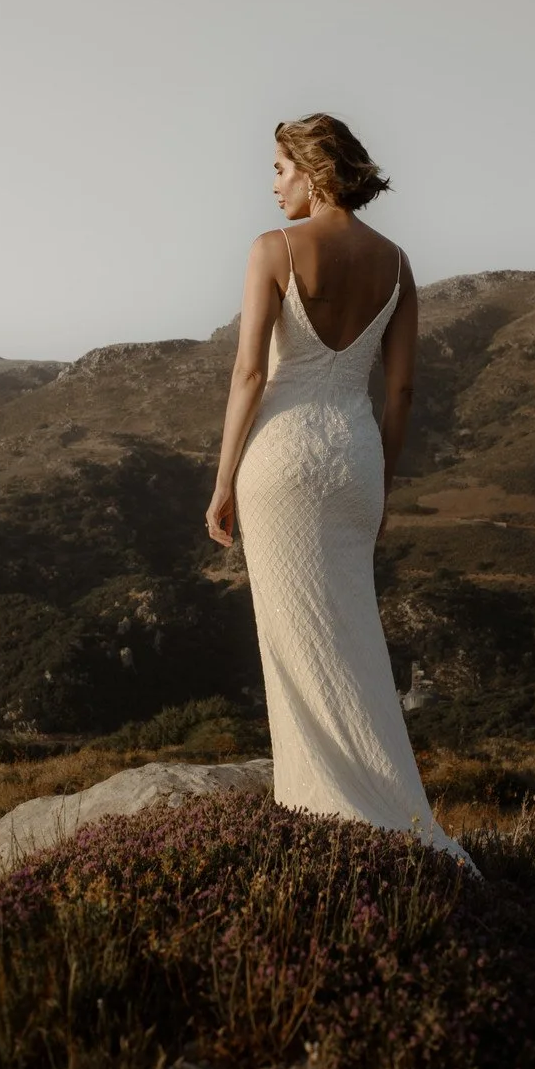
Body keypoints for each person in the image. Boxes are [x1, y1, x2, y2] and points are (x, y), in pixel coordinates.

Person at [203, 113, 480, 877]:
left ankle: (330, 818)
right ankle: (386, 814)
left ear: (315, 170)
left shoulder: (273, 249)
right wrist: (381, 481)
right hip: (355, 456)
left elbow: (250, 376)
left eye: (281, 167)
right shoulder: (396, 264)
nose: (273, 182)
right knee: (353, 638)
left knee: (295, 646)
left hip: (282, 460)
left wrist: (223, 479)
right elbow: (402, 390)